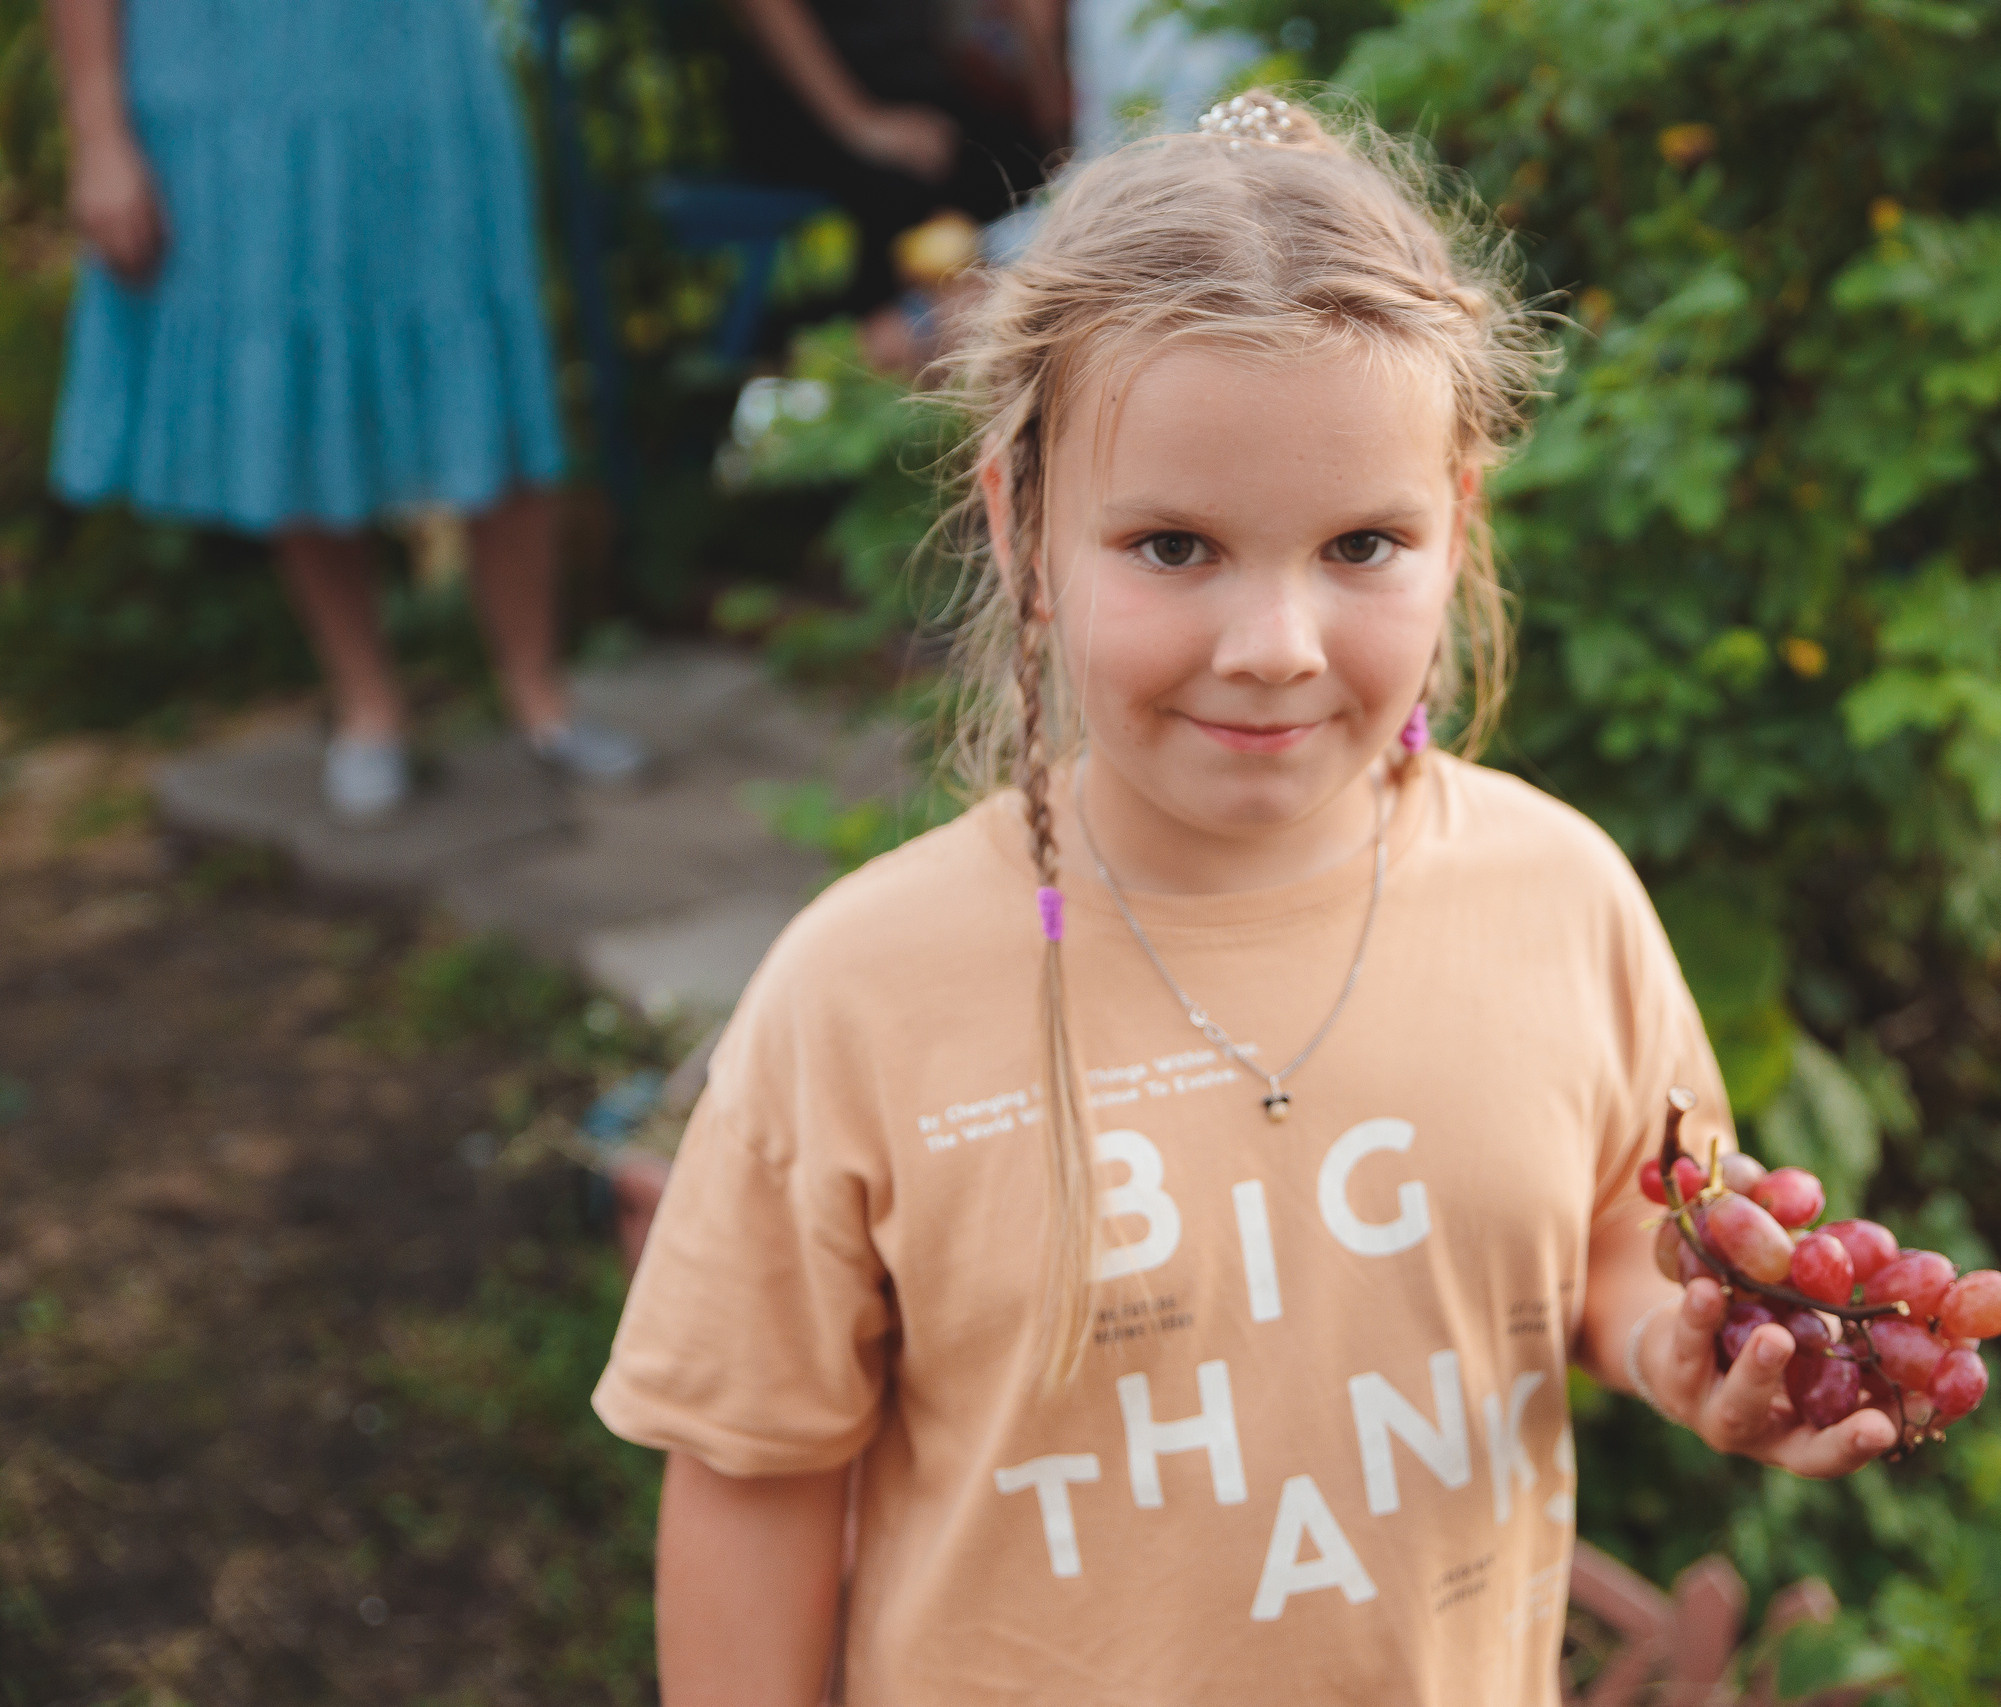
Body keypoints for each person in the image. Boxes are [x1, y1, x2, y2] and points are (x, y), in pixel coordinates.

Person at [593, 92, 1897, 1705]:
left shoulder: (1561, 900)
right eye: (1174, 546)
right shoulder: (860, 991)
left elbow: (1625, 1241)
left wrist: (1680, 1352)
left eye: (1361, 542)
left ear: (1457, 527)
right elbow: (751, 1469)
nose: (1276, 640)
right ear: (1023, 528)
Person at [46, 0, 642, 818]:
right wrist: (99, 132)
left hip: (420, 73)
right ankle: (368, 704)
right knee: (291, 382)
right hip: (226, 89)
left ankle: (541, 696)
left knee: (481, 352)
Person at [715, 0, 1062, 363]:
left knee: (1022, 168)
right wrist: (862, 125)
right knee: (909, 189)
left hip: (913, 93)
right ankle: (842, 365)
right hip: (806, 106)